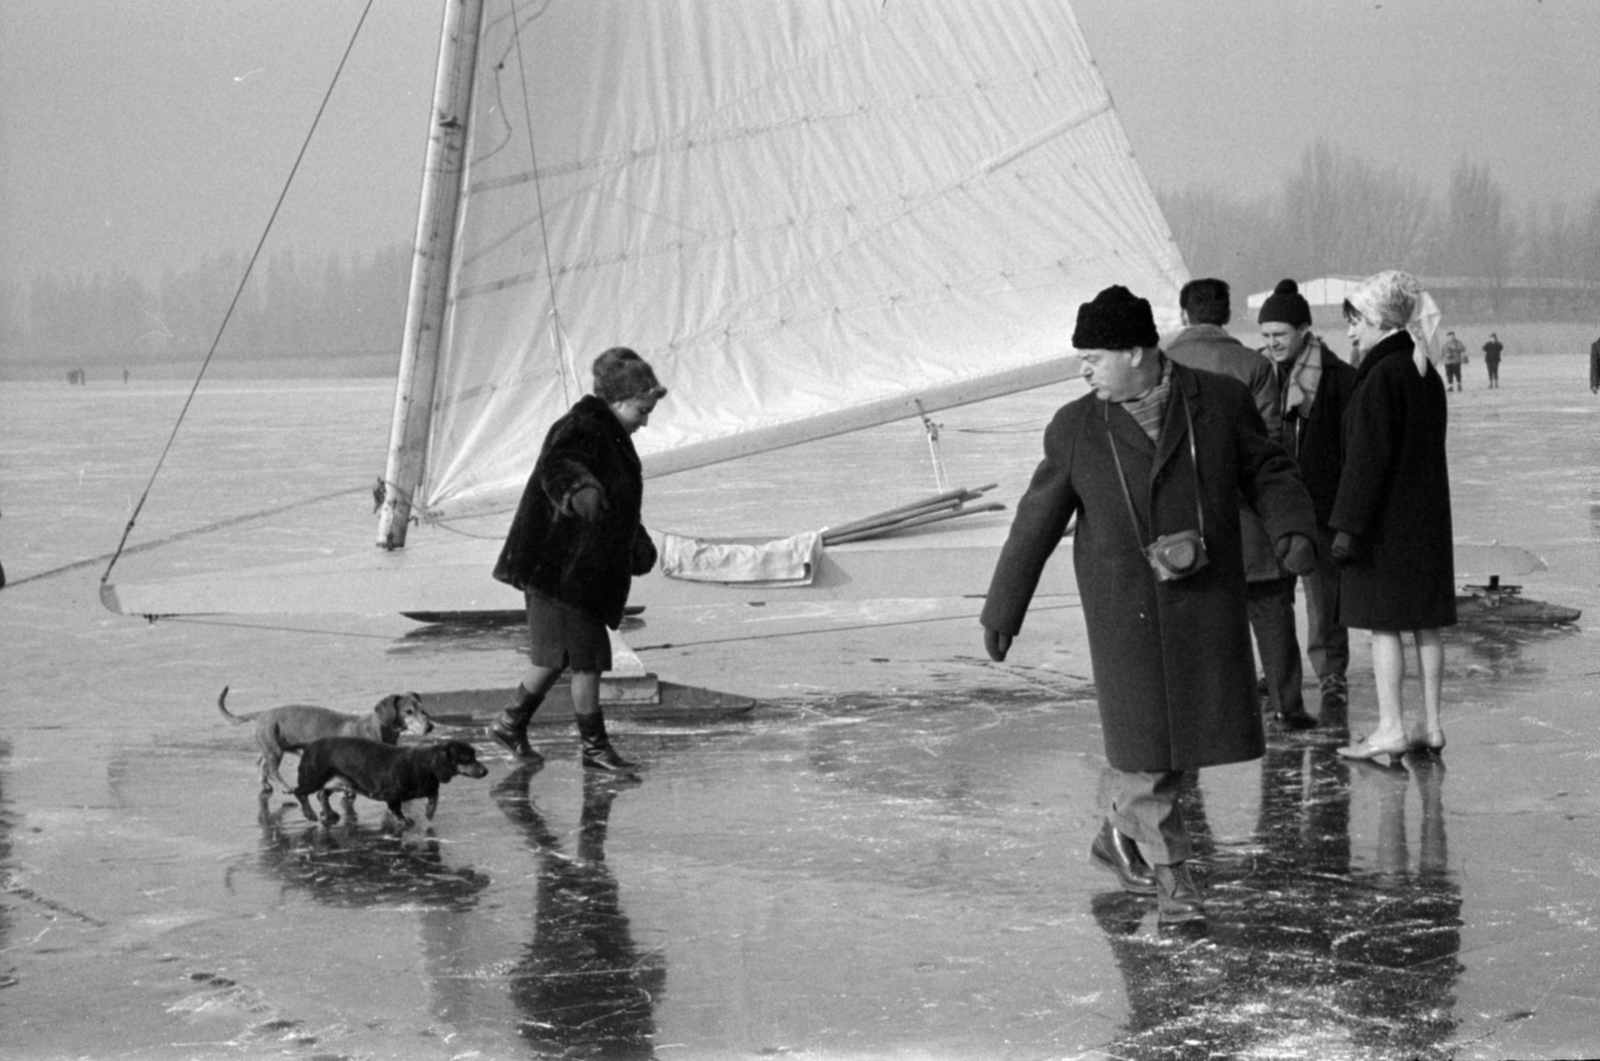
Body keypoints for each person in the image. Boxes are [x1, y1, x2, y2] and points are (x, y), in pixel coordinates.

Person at [981, 284, 1317, 924]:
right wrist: (1004, 609)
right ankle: (1173, 877)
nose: (1083, 369)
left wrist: (1292, 527)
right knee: (1147, 749)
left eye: (1093, 357)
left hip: (1203, 599)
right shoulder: (1076, 426)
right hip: (1123, 609)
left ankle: (1116, 832)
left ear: (1137, 352)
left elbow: (1267, 469)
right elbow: (1036, 521)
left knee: (1176, 743)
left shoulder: (1218, 403)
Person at [489, 347, 667, 773]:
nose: (646, 420)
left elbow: (614, 501)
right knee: (588, 660)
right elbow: (560, 465)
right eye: (642, 410)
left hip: (569, 570)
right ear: (619, 401)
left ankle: (510, 724)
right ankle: (594, 749)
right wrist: (578, 490)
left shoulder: (609, 432)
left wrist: (633, 540)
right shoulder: (584, 427)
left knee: (555, 658)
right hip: (561, 570)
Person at [1165, 279, 1311, 730]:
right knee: (1269, 606)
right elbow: (1267, 442)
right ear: (1226, 314)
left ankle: (1192, 713)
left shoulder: (1162, 364)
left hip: (1183, 514)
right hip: (1246, 512)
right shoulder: (1255, 365)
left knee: (1186, 616)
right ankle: (1288, 705)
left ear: (1185, 313)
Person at [1330, 271, 1456, 764]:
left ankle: (1391, 727)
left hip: (1386, 524)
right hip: (1425, 518)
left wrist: (1347, 526)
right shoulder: (1422, 368)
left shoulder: (1383, 374)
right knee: (1426, 625)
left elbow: (1367, 460)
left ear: (1380, 320)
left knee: (1384, 626)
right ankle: (1432, 724)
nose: (1350, 332)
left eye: (1355, 321)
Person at [1257, 279, 1359, 721]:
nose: (1272, 343)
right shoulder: (1260, 375)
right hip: (1274, 506)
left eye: (1279, 334)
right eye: (1265, 336)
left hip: (1320, 504)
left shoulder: (1337, 378)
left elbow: (1351, 447)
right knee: (1275, 593)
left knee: (1324, 597)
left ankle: (1332, 673)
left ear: (1303, 330)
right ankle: (1277, 672)